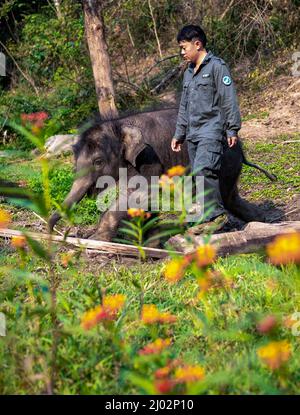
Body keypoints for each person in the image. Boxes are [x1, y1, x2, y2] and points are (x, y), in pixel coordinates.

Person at [171, 24, 241, 233]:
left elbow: (229, 99)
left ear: (197, 44)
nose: (182, 52)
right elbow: (184, 106)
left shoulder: (217, 67)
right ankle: (204, 217)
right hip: (193, 134)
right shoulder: (189, 74)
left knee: (204, 170)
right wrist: (179, 134)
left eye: (184, 48)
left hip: (212, 130)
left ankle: (216, 216)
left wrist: (232, 128)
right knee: (197, 175)